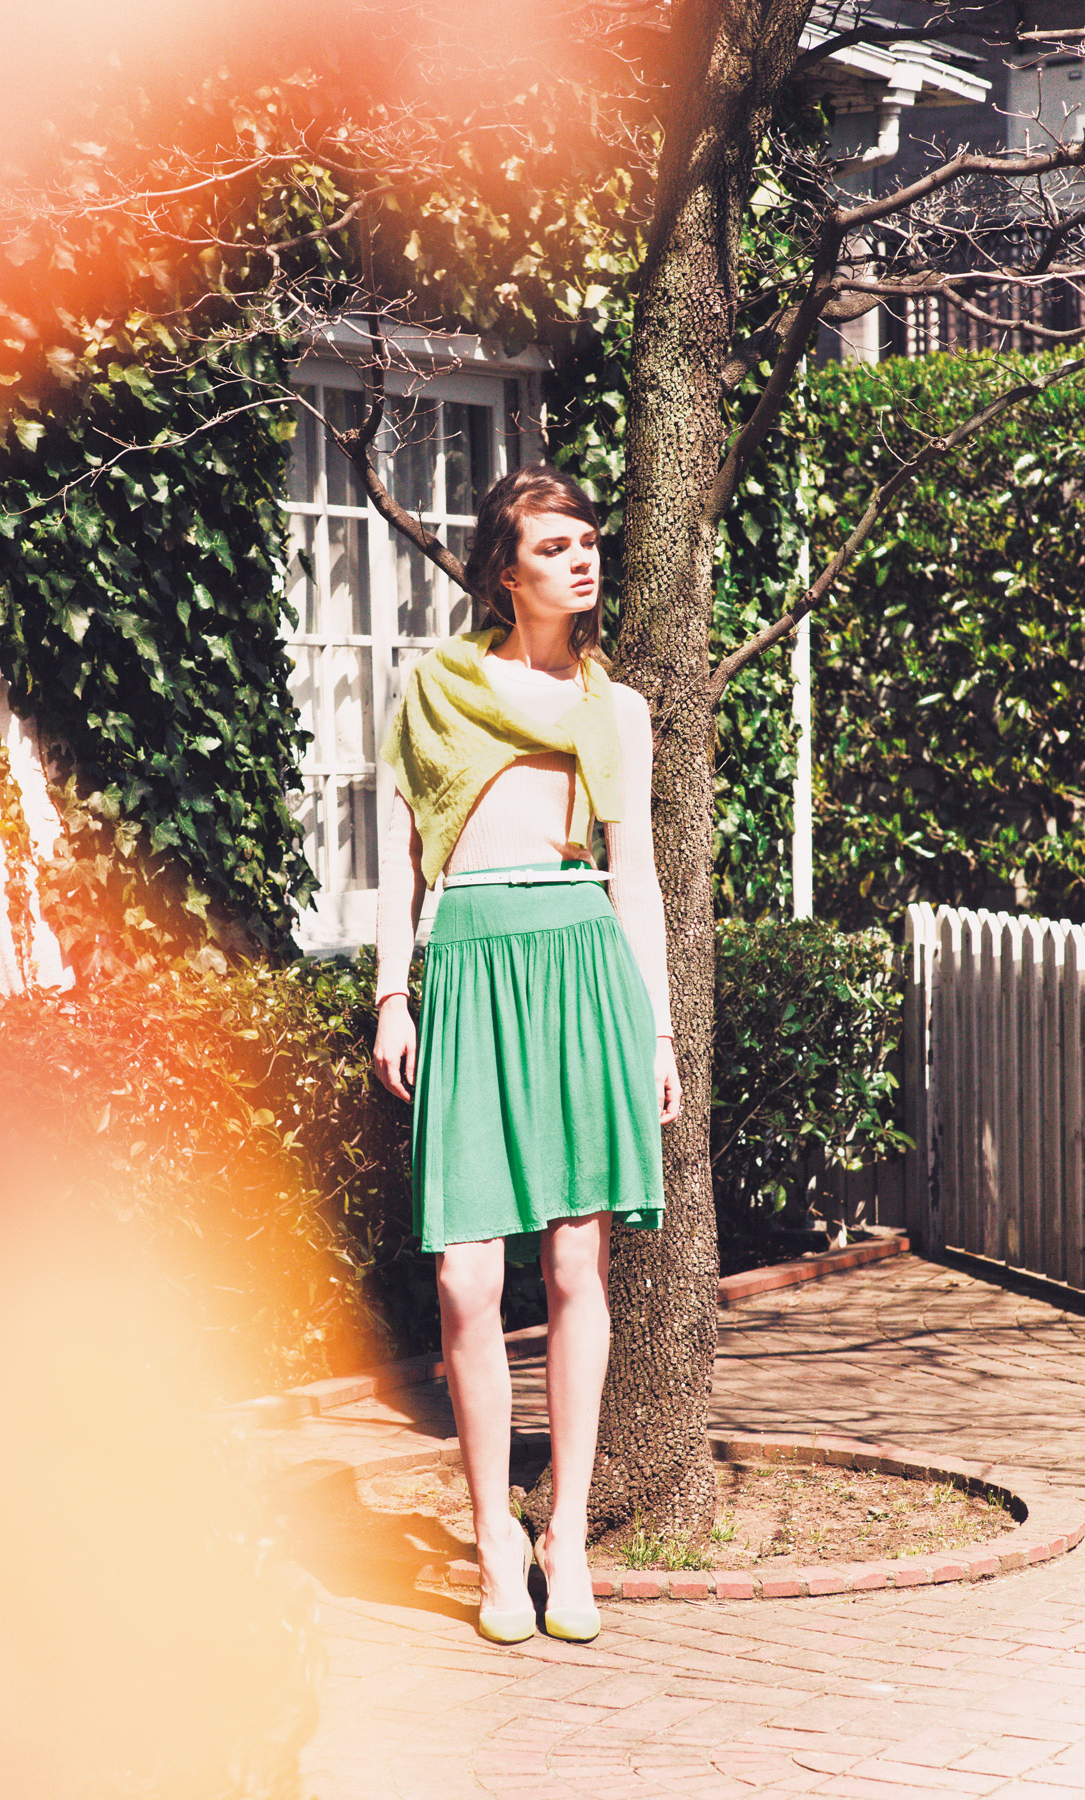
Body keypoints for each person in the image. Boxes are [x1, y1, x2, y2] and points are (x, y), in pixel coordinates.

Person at [373, 464, 680, 1647]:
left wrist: (656, 1030)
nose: (582, 559)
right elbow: (403, 861)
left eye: (588, 541)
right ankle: (491, 1534)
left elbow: (636, 881)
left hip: (581, 966)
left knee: (574, 1268)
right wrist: (392, 995)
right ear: (505, 570)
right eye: (555, 546)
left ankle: (566, 1537)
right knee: (464, 1276)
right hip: (469, 966)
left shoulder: (618, 710)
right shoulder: (437, 689)